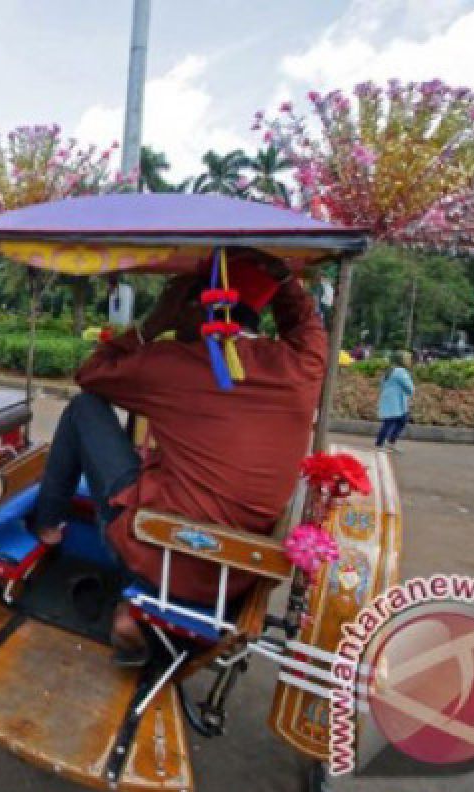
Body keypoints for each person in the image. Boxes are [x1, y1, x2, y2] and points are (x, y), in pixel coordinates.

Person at [32, 249, 328, 665]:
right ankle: (132, 614)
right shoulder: (302, 367)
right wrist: (282, 281)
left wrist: (155, 323)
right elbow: (305, 325)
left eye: (178, 297)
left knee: (83, 408)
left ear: (196, 306)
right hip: (235, 574)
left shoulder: (172, 361)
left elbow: (92, 374)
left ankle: (48, 525)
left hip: (158, 550)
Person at [375, 352, 414, 452]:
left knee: (399, 421)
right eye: (408, 359)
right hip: (395, 401)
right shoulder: (401, 371)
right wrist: (411, 391)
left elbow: (381, 384)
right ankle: (381, 444)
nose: (410, 361)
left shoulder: (391, 369)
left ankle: (390, 443)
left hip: (391, 400)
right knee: (391, 422)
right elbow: (409, 386)